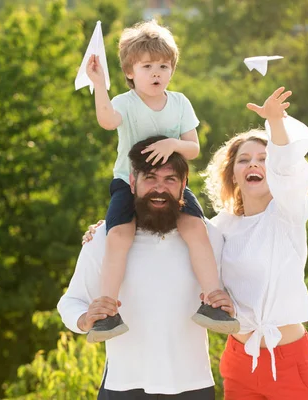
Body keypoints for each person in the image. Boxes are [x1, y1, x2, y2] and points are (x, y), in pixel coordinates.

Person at [85, 19, 237, 342]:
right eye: (148, 66)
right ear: (130, 72)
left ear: (172, 70)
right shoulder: (126, 103)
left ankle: (214, 299)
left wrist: (172, 145)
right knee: (119, 236)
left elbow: (193, 148)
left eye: (164, 66)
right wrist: (99, 84)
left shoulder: (180, 103)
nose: (156, 73)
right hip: (129, 185)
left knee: (197, 229)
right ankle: (108, 309)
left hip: (171, 186)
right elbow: (106, 120)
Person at [58, 136, 236, 399]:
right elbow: (70, 301)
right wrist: (84, 319)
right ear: (132, 182)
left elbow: (240, 295)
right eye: (150, 178)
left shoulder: (209, 236)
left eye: (170, 180)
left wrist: (229, 303)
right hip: (123, 385)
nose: (159, 188)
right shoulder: (105, 238)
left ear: (184, 185)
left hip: (193, 385)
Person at [204, 86, 308, 399]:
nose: (254, 164)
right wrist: (107, 227)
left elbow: (287, 168)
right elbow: (175, 235)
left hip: (288, 364)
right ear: (233, 174)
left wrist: (275, 123)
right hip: (239, 361)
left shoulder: (288, 213)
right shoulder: (220, 227)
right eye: (244, 160)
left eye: (262, 158)